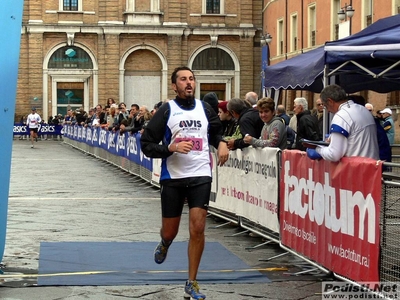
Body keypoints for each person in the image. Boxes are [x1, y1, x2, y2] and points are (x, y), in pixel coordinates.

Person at [140, 66, 229, 300]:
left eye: (191, 79)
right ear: (174, 85)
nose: (188, 83)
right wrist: (170, 148)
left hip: (200, 175)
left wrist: (221, 143)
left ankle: (192, 282)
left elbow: (216, 133)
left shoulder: (205, 108)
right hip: (173, 178)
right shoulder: (167, 110)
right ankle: (165, 242)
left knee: (198, 228)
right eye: (183, 79)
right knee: (171, 231)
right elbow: (147, 144)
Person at [307, 85, 379, 162]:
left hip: (354, 168)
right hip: (372, 166)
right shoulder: (363, 110)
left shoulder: (341, 116)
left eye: (325, 106)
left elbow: (334, 154)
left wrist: (318, 149)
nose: (327, 111)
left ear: (330, 101)